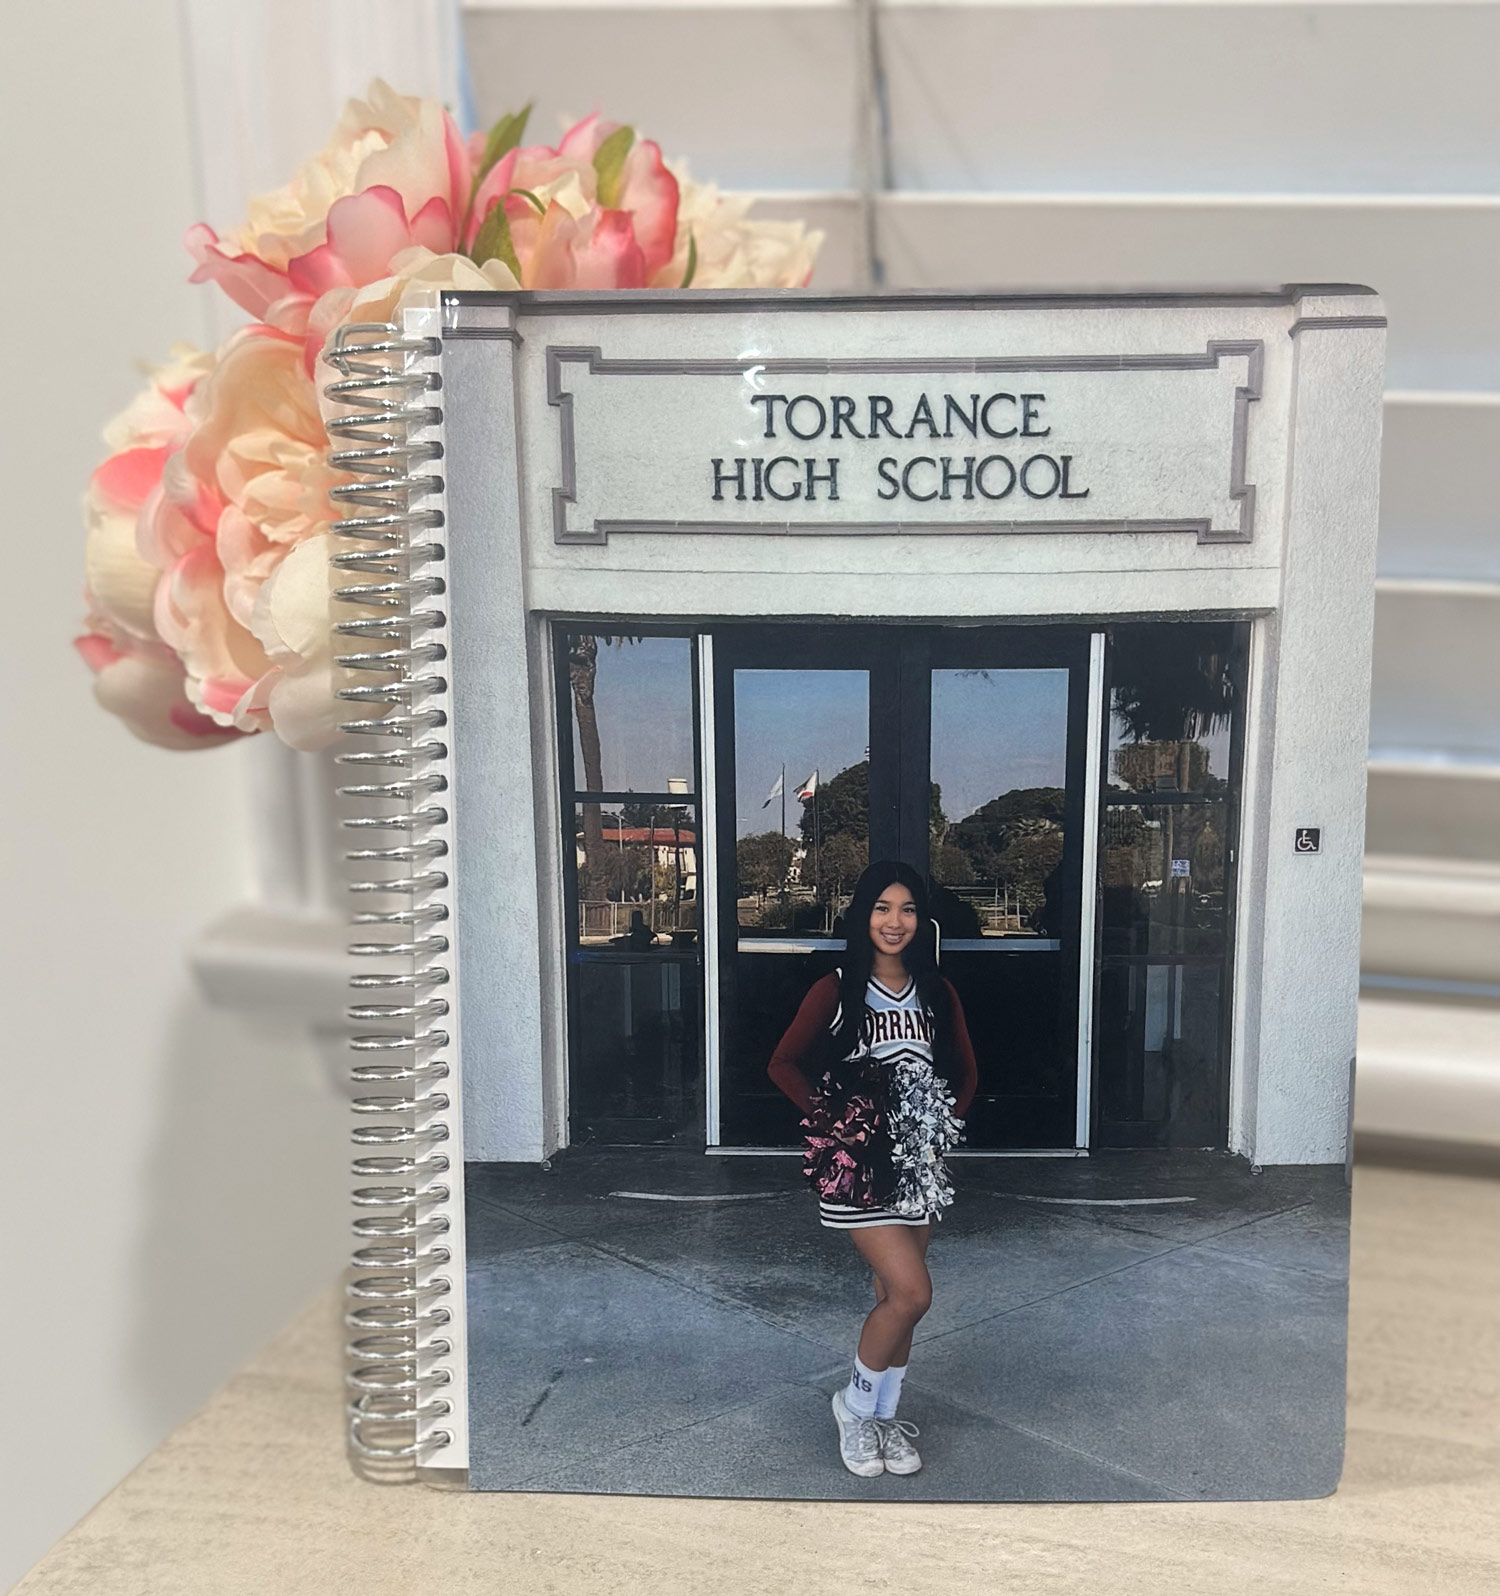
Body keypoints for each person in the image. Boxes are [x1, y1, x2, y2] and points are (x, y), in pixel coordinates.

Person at [767, 860, 978, 1479]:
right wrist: (836, 1124)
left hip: (917, 1166)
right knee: (914, 1292)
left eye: (908, 909)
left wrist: (939, 1130)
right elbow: (782, 1064)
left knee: (897, 1300)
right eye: (882, 908)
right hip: (860, 1170)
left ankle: (885, 1416)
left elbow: (967, 1071)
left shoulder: (936, 990)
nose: (895, 921)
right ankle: (855, 1409)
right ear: (862, 915)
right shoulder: (836, 988)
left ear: (922, 919)